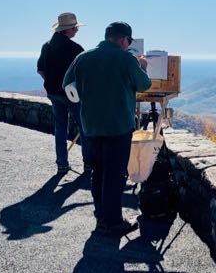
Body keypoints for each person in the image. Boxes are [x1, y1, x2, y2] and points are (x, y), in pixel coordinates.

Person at [64, 22, 152, 235]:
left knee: (98, 172)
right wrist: (142, 67)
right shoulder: (127, 59)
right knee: (114, 174)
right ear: (124, 40)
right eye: (128, 41)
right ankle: (113, 221)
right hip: (118, 125)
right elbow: (144, 85)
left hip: (91, 125)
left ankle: (101, 217)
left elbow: (68, 85)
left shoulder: (82, 58)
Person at [37, 12, 92, 174]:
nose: (76, 30)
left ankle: (62, 163)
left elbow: (40, 69)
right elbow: (85, 75)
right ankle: (88, 163)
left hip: (53, 93)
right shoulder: (76, 49)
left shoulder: (47, 46)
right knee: (84, 128)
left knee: (60, 127)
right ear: (66, 30)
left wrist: (52, 82)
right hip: (72, 94)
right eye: (74, 28)